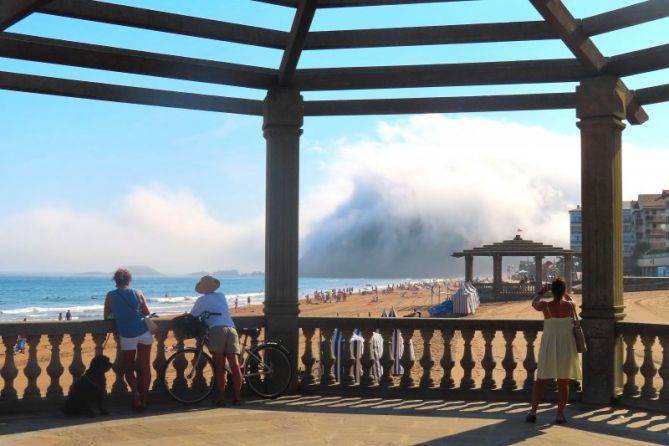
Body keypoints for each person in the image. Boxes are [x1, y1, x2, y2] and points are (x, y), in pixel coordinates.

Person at [526, 277, 581, 424]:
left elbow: (534, 303)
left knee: (541, 380)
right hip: (565, 346)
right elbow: (571, 299)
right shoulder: (571, 305)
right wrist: (565, 293)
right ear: (563, 291)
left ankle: (533, 411)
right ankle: (560, 414)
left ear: (552, 291)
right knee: (563, 382)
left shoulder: (545, 306)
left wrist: (541, 292)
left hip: (549, 345)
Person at [103, 268, 153, 411]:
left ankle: (136, 395)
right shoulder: (138, 292)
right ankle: (144, 399)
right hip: (144, 332)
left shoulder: (110, 295)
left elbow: (106, 316)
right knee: (145, 367)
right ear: (129, 280)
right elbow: (147, 313)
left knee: (128, 368)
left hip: (127, 334)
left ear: (115, 280)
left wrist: (119, 314)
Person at [190, 275, 243, 406]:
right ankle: (237, 397)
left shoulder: (201, 300)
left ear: (202, 288)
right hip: (231, 329)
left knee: (219, 367)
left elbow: (192, 317)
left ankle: (221, 396)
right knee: (234, 365)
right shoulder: (221, 295)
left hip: (216, 330)